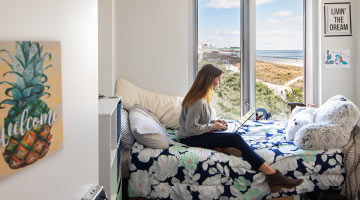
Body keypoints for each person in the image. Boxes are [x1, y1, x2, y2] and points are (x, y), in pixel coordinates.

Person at [178, 64, 303, 192]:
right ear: (210, 79)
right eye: (218, 79)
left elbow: (199, 120)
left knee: (232, 137)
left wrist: (215, 122)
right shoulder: (198, 101)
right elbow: (191, 128)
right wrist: (213, 126)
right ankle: (272, 175)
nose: (220, 82)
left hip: (196, 135)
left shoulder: (202, 97)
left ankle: (222, 147)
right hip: (190, 138)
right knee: (235, 137)